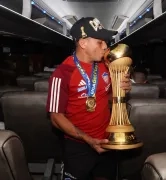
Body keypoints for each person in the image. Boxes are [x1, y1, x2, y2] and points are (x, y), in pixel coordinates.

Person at [46, 17, 132, 180]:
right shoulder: (62, 74)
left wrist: (123, 89)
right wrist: (88, 139)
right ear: (83, 43)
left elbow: (108, 98)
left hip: (107, 140)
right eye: (100, 42)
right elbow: (56, 117)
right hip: (78, 146)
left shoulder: (106, 66)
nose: (106, 46)